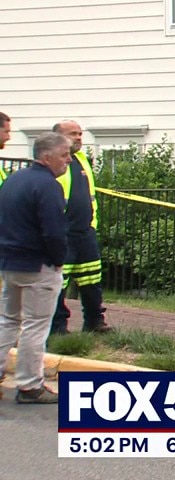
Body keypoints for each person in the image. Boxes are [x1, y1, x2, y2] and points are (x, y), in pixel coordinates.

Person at [0, 132, 71, 403]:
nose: (67, 161)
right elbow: (53, 231)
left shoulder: (13, 181)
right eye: (64, 155)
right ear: (46, 157)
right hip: (37, 265)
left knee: (7, 320)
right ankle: (30, 386)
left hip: (9, 263)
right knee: (35, 325)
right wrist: (58, 259)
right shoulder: (48, 185)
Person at [49, 120, 111, 335]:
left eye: (80, 134)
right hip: (63, 234)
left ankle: (95, 322)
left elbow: (89, 195)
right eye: (72, 134)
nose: (78, 137)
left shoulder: (82, 160)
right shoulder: (53, 163)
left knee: (92, 281)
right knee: (58, 285)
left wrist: (92, 225)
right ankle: (58, 328)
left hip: (85, 233)